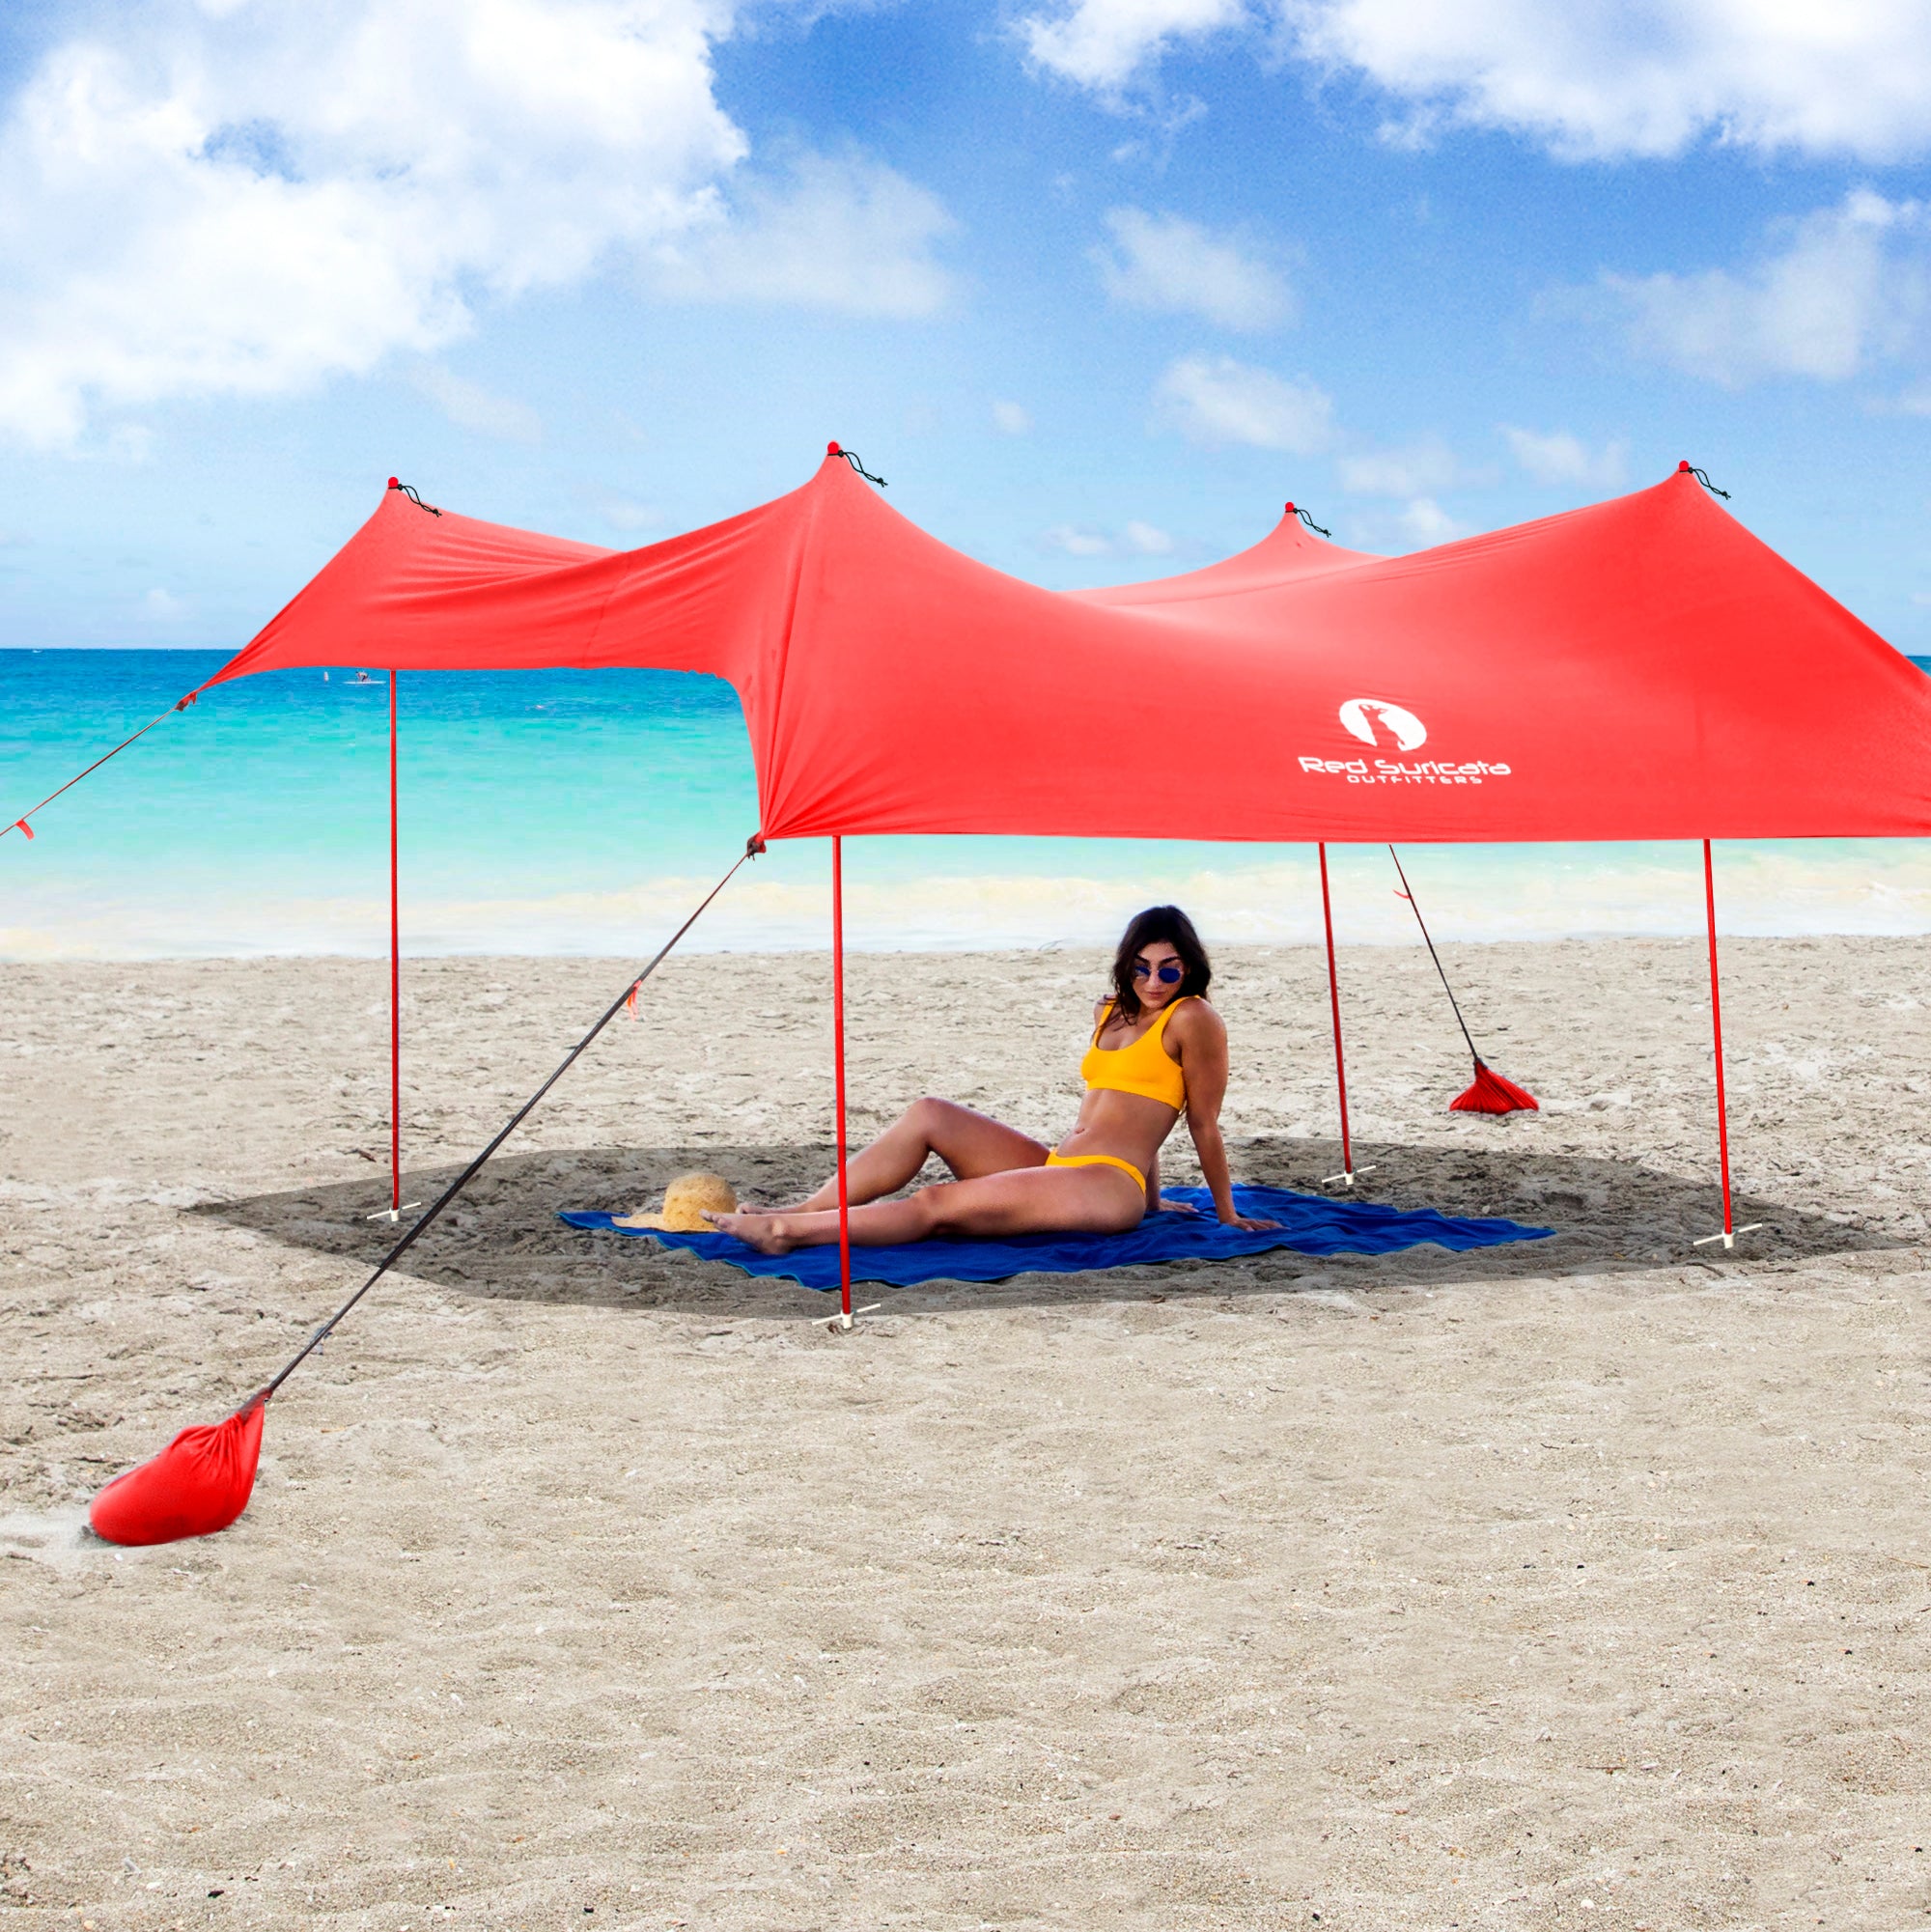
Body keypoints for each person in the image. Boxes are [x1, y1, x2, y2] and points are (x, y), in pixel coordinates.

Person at [707, 905, 1278, 1253]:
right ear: (1127, 964)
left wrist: (1224, 1213)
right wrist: (1157, 1202)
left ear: (1190, 966)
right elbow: (1131, 1105)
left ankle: (788, 1234)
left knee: (938, 1203)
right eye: (1143, 967)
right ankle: (808, 1209)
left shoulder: (1195, 1018)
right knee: (930, 1112)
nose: (1155, 980)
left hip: (1107, 1185)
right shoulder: (1113, 1011)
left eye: (1170, 968)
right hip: (1062, 1165)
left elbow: (1199, 1123)